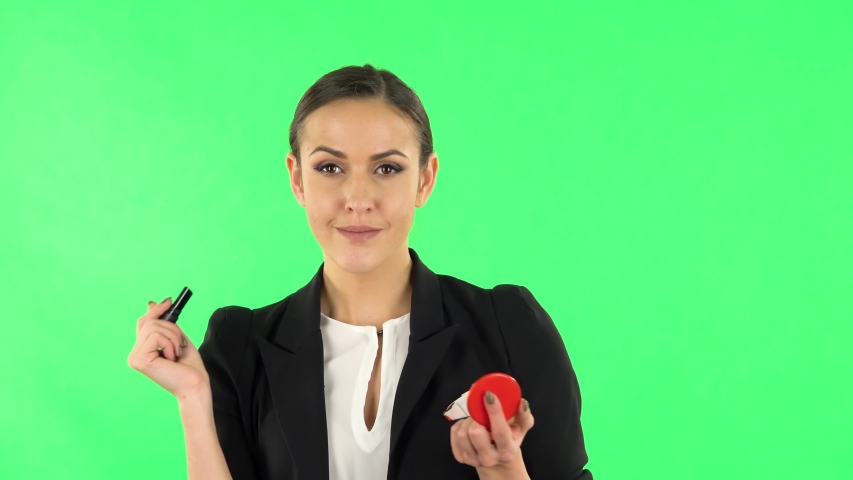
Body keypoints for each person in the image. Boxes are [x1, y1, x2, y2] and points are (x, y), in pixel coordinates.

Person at [128, 64, 593, 480]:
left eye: (387, 168)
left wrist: (502, 468)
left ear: (425, 179)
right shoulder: (238, 346)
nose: (357, 198)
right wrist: (192, 398)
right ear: (296, 179)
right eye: (329, 167)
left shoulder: (509, 326)